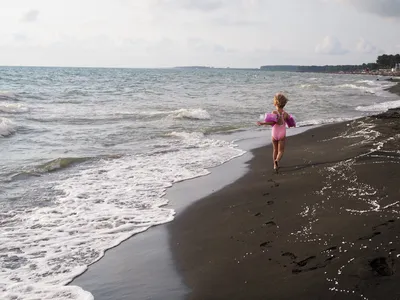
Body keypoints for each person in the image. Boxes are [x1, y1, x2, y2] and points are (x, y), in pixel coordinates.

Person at [257, 93, 291, 172]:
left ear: (275, 103)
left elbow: (272, 123)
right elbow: (290, 120)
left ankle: (275, 165)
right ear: (284, 104)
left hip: (274, 133)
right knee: (281, 151)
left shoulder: (274, 112)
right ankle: (277, 160)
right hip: (282, 134)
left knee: (275, 150)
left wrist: (262, 123)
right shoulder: (285, 114)